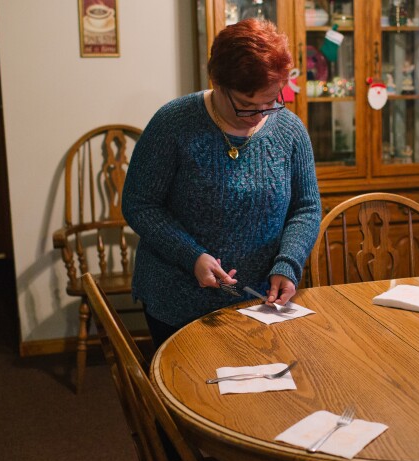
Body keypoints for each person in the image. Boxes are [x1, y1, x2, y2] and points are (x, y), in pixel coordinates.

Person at [123, 19, 321, 349]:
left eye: (271, 100)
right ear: (217, 82)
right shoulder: (173, 123)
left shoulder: (289, 130)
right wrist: (191, 255)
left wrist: (288, 263)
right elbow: (139, 204)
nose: (261, 114)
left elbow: (306, 207)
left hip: (260, 303)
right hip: (178, 298)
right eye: (247, 104)